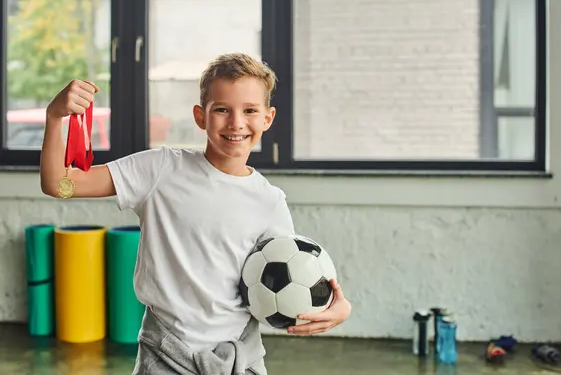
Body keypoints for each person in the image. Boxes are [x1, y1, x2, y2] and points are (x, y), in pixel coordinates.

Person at [39, 53, 352, 374]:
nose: (236, 122)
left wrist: (338, 307)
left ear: (268, 119)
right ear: (200, 116)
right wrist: (55, 117)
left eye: (250, 111)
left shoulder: (269, 201)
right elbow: (59, 183)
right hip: (165, 356)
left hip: (239, 360)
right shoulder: (159, 169)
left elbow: (294, 277)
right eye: (221, 110)